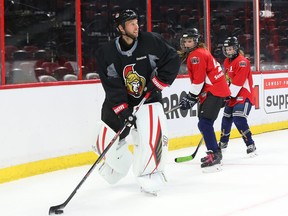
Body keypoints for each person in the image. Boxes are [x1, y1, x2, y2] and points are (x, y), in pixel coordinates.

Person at [95, 9, 180, 194]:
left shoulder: (150, 41)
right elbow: (111, 83)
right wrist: (123, 109)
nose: (136, 26)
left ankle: (150, 174)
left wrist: (158, 82)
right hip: (120, 99)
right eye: (131, 23)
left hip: (148, 98)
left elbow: (173, 59)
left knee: (152, 138)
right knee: (105, 140)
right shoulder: (107, 52)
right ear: (121, 28)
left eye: (136, 22)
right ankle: (116, 168)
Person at [179, 28, 230, 172]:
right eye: (185, 41)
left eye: (190, 41)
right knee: (203, 123)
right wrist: (195, 96)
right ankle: (215, 152)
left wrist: (191, 96)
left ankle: (214, 155)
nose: (187, 44)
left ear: (196, 41)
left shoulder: (196, 55)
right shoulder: (200, 52)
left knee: (205, 123)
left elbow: (199, 80)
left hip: (215, 91)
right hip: (215, 91)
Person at [219, 36, 256, 156]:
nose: (229, 51)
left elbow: (238, 82)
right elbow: (226, 80)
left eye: (231, 49)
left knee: (238, 119)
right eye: (227, 49)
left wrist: (227, 95)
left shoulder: (242, 62)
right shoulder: (226, 62)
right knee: (226, 119)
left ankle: (250, 144)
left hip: (243, 95)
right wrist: (221, 93)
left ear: (236, 48)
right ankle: (223, 143)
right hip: (231, 95)